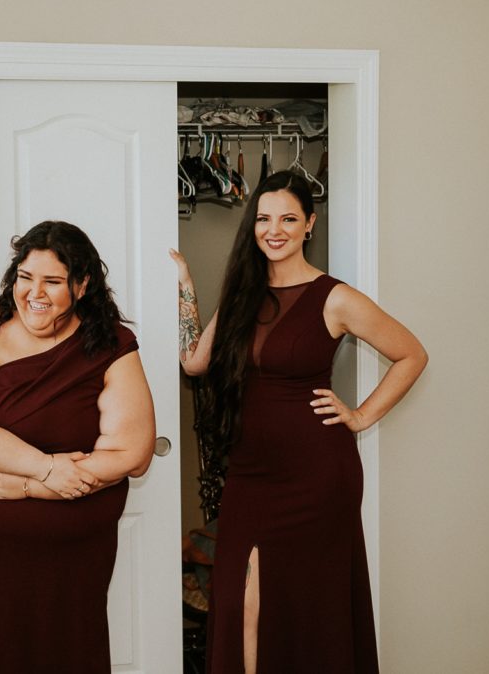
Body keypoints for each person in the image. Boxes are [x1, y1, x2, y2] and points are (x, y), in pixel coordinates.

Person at [171, 170, 428, 674]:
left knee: (309, 606)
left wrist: (359, 416)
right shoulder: (243, 295)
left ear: (309, 224)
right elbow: (194, 363)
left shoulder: (334, 297)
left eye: (288, 218)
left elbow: (411, 354)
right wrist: (185, 286)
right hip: (250, 476)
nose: (274, 229)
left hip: (316, 476)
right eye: (264, 219)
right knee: (243, 602)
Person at [0, 220, 156, 673]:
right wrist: (46, 466)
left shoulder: (113, 345)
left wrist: (35, 487)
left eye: (52, 281)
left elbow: (131, 454)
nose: (34, 292)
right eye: (25, 277)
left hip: (74, 554)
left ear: (81, 284)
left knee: (71, 652)